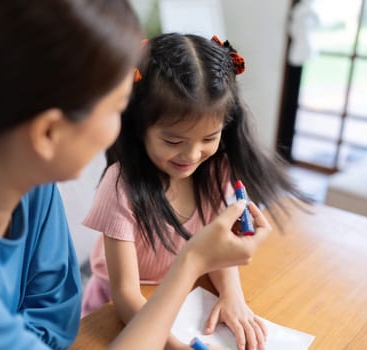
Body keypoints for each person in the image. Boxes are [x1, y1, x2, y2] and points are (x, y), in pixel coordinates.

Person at [0, 2, 270, 349]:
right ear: (48, 132)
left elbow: (57, 316)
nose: (121, 128)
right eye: (117, 108)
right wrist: (193, 260)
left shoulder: (25, 177)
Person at [82, 33, 305, 350]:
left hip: (188, 296)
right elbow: (124, 294)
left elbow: (218, 245)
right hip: (119, 313)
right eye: (173, 141)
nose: (191, 155)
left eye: (209, 138)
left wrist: (233, 297)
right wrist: (172, 345)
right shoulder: (121, 185)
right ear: (138, 126)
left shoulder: (218, 169)